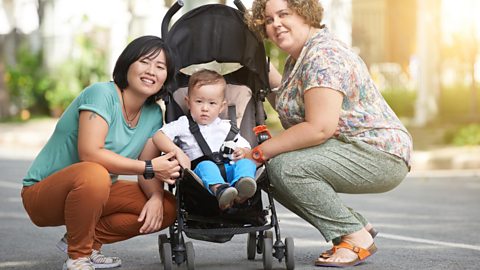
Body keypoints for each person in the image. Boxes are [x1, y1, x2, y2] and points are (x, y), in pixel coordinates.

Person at [245, 0, 412, 267]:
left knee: (285, 168)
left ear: (305, 13)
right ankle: (357, 226)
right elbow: (295, 109)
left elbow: (319, 128)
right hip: (350, 147)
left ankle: (355, 237)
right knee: (271, 171)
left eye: (283, 14)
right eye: (268, 20)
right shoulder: (298, 58)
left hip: (378, 151)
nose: (275, 24)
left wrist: (258, 151)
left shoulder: (323, 56)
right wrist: (261, 68)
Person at [21, 35, 181, 270]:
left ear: (166, 77)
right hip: (44, 194)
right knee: (95, 173)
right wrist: (149, 167)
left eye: (160, 66)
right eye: (145, 62)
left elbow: (147, 165)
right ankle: (78, 257)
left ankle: (86, 240)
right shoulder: (102, 94)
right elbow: (90, 153)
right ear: (127, 64)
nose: (151, 71)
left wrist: (156, 196)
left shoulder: (153, 114)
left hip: (96, 192)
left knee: (168, 207)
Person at [152, 69, 257, 210]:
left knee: (246, 163)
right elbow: (158, 136)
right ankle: (221, 190)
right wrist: (177, 151)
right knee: (206, 166)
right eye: (199, 101)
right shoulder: (183, 124)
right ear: (188, 103)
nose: (205, 108)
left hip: (230, 170)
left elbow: (246, 146)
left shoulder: (227, 126)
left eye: (212, 103)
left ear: (222, 107)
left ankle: (242, 187)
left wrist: (242, 151)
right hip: (200, 176)